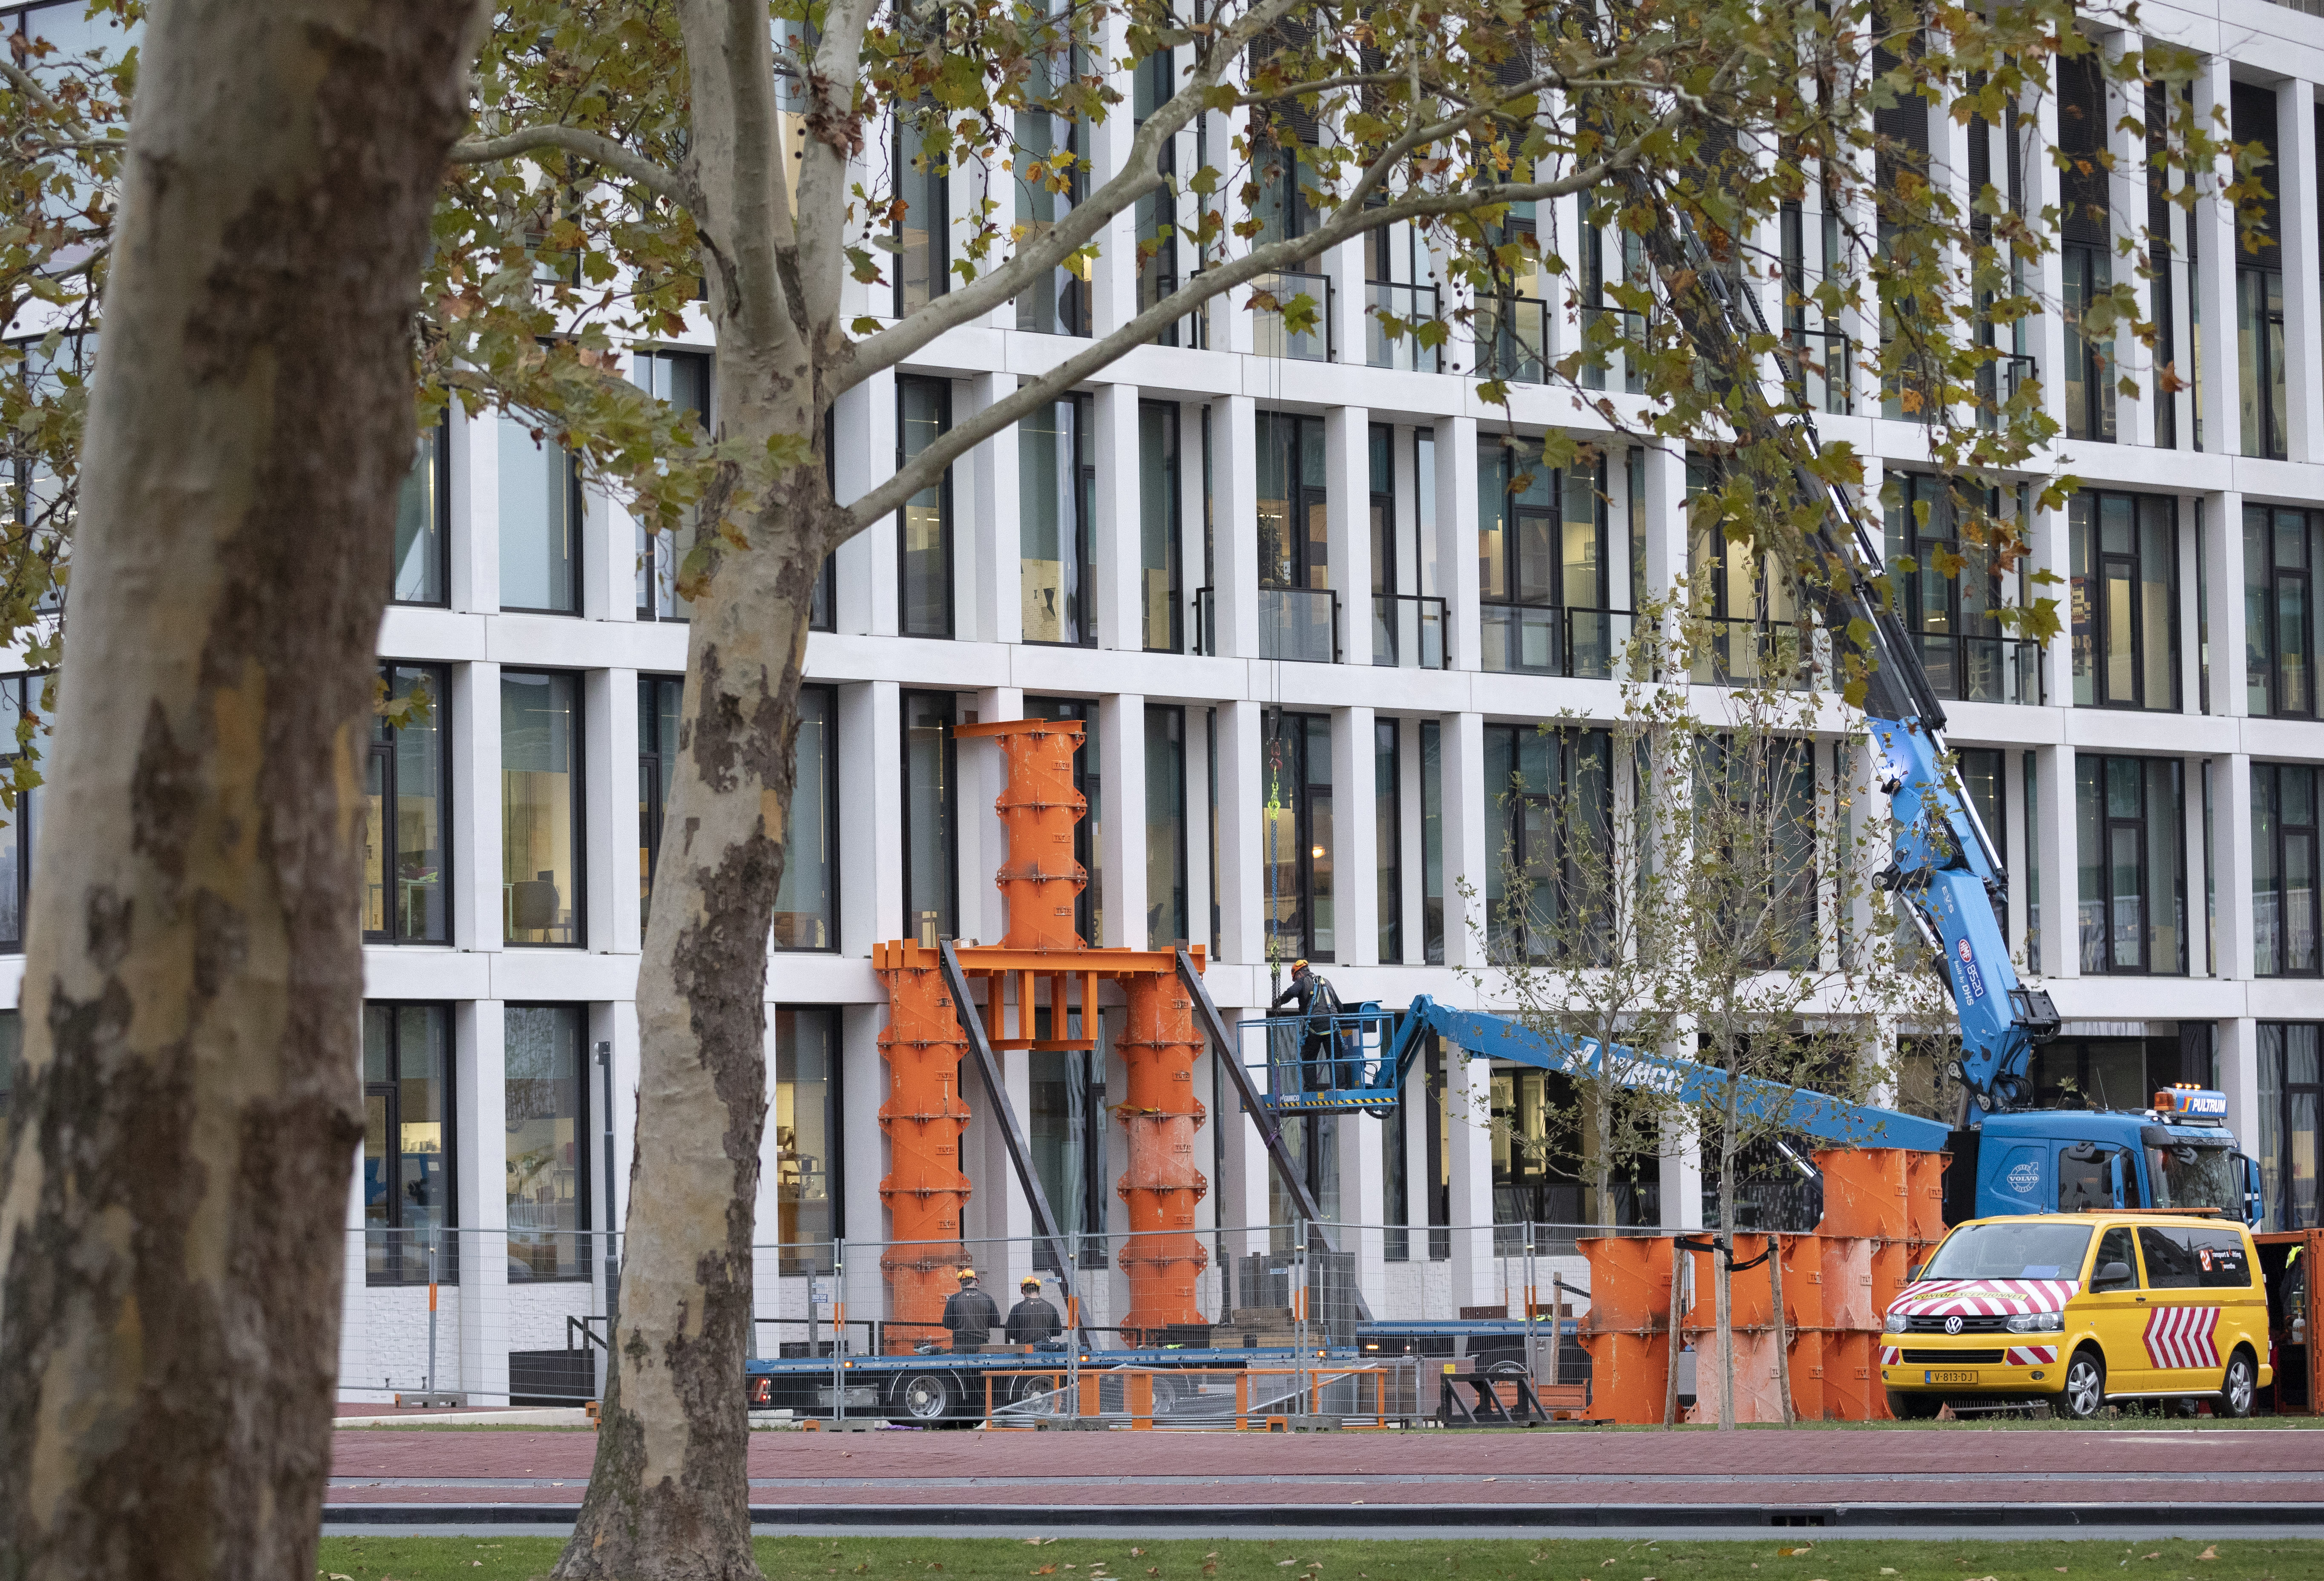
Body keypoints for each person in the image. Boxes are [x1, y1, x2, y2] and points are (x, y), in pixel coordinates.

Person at [1269, 959, 1345, 1090]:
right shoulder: (1326, 982)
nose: (1296, 981)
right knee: (1336, 1058)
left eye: (1295, 979)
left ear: (1298, 974)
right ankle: (1340, 1087)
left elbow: (1292, 993)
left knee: (1309, 1059)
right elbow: (1339, 1005)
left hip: (1314, 1025)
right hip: (1332, 1024)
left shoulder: (1303, 981)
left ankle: (1311, 1089)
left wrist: (1278, 1002)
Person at [941, 1267, 1001, 1352]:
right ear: (977, 1281)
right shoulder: (987, 1298)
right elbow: (996, 1323)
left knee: (960, 1365)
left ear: (961, 1282)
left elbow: (947, 1324)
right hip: (982, 1345)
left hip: (960, 1346)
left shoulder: (955, 1298)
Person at [1005, 1275, 1063, 1345]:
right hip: (1045, 1349)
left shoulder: (1017, 1308)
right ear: (1039, 1291)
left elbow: (1011, 1334)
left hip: (1025, 1350)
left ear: (1023, 1291)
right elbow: (1058, 1332)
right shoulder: (1051, 1307)